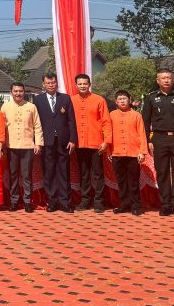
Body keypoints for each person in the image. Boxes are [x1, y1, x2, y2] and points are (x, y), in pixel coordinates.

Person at [142, 69, 174, 217]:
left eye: (169, 78)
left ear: (173, 80)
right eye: (163, 78)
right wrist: (147, 141)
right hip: (159, 139)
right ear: (158, 80)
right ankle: (165, 205)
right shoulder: (151, 98)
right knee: (163, 173)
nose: (166, 80)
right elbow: (145, 121)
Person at [35, 73, 78, 213]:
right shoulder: (38, 100)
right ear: (43, 84)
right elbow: (35, 122)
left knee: (63, 172)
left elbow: (71, 121)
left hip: (63, 141)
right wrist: (37, 141)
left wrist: (72, 139)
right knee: (49, 172)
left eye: (53, 82)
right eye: (48, 83)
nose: (51, 85)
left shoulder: (65, 98)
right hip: (46, 141)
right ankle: (52, 201)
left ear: (57, 83)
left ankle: (65, 202)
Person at [72, 73, 111, 213]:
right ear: (76, 85)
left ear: (89, 84)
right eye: (80, 84)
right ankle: (85, 200)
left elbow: (106, 121)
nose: (82, 86)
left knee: (98, 173)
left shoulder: (99, 100)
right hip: (79, 144)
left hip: (96, 143)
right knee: (83, 173)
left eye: (85, 83)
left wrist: (106, 141)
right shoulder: (71, 100)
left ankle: (99, 201)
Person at [1, 82, 42, 212]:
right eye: (15, 91)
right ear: (11, 92)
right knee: (13, 175)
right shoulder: (5, 107)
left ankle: (27, 201)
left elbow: (37, 126)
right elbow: (1, 127)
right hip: (11, 146)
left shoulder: (31, 107)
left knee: (26, 175)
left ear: (24, 92)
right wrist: (1, 146)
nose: (18, 93)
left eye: (20, 91)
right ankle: (14, 201)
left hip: (27, 146)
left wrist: (38, 143)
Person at [109, 90, 148, 215]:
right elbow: (108, 134)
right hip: (116, 153)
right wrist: (108, 151)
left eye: (124, 98)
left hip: (133, 153)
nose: (122, 101)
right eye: (119, 99)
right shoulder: (111, 115)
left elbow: (142, 134)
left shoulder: (137, 115)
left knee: (133, 181)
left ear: (129, 100)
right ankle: (124, 204)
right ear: (116, 102)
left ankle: (135, 205)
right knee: (121, 181)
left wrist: (142, 152)